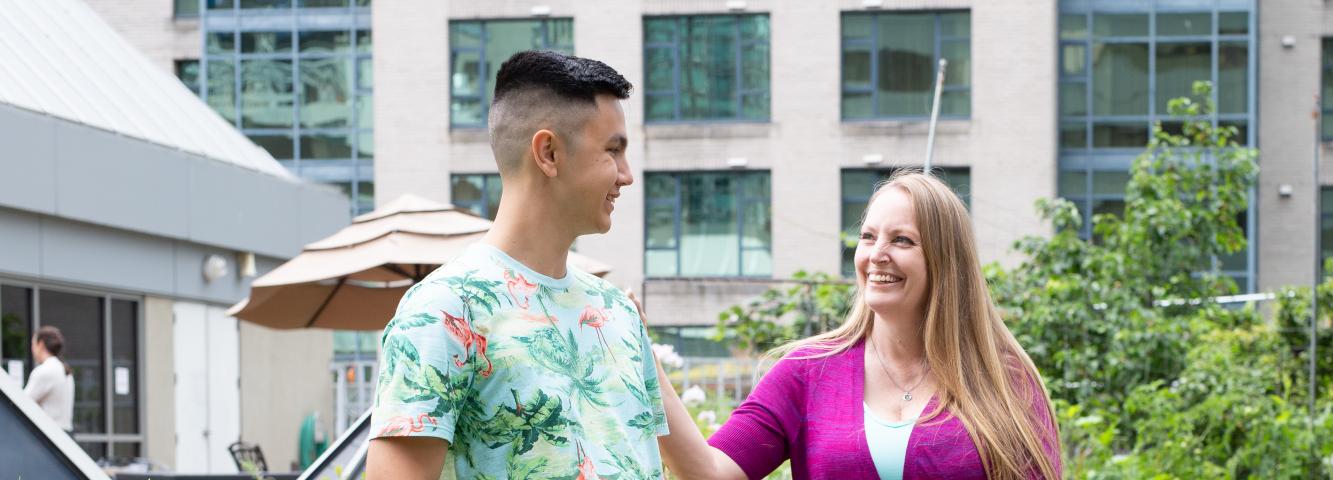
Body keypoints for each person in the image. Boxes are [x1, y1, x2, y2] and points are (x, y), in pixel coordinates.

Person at [364, 50, 667, 479]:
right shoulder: (446, 309)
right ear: (548, 153)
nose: (627, 174)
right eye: (612, 151)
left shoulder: (617, 313)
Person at [652, 172, 1063, 480]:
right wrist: (644, 370)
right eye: (868, 237)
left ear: (945, 261)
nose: (877, 254)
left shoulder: (1003, 380)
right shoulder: (807, 371)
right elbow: (709, 472)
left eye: (902, 240)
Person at [25, 326, 74, 433]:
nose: (32, 349)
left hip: (49, 436)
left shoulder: (44, 371)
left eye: (33, 344)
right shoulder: (64, 369)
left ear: (41, 344)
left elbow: (22, 404)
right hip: (65, 434)